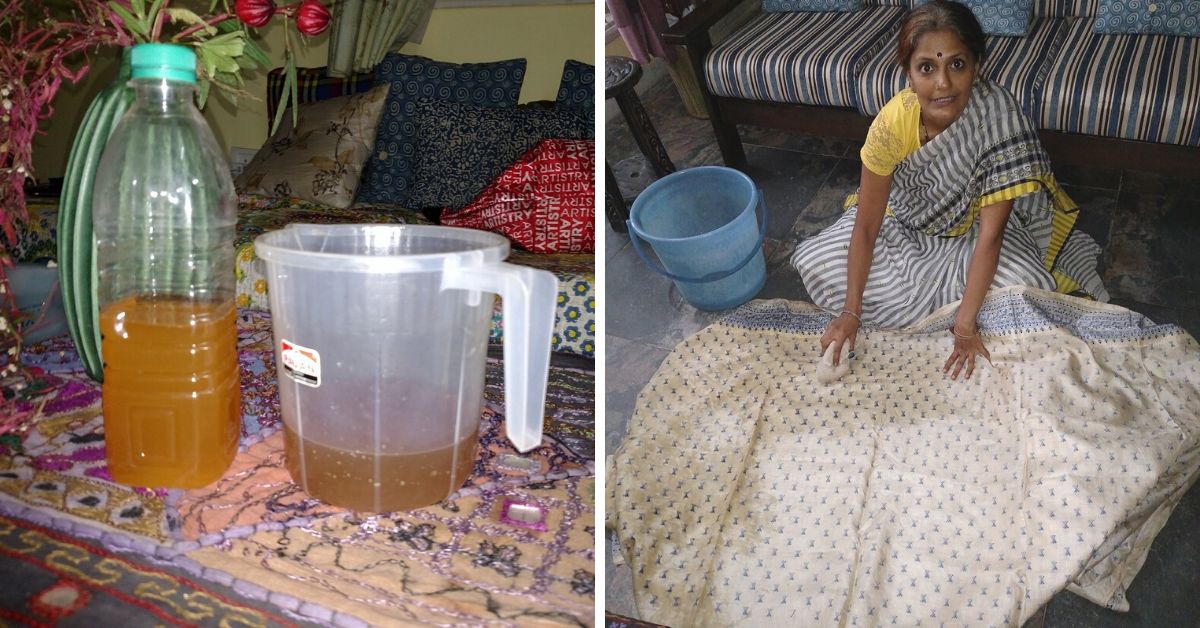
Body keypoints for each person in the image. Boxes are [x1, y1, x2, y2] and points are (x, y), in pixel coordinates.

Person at [791, 0, 1107, 381]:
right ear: (908, 74)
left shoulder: (997, 118)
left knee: (1027, 288)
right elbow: (867, 226)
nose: (943, 83)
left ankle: (947, 308)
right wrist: (850, 313)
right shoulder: (891, 125)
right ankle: (928, 302)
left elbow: (991, 236)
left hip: (975, 230)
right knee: (817, 260)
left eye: (956, 64)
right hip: (906, 224)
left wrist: (964, 328)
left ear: (977, 66)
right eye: (927, 67)